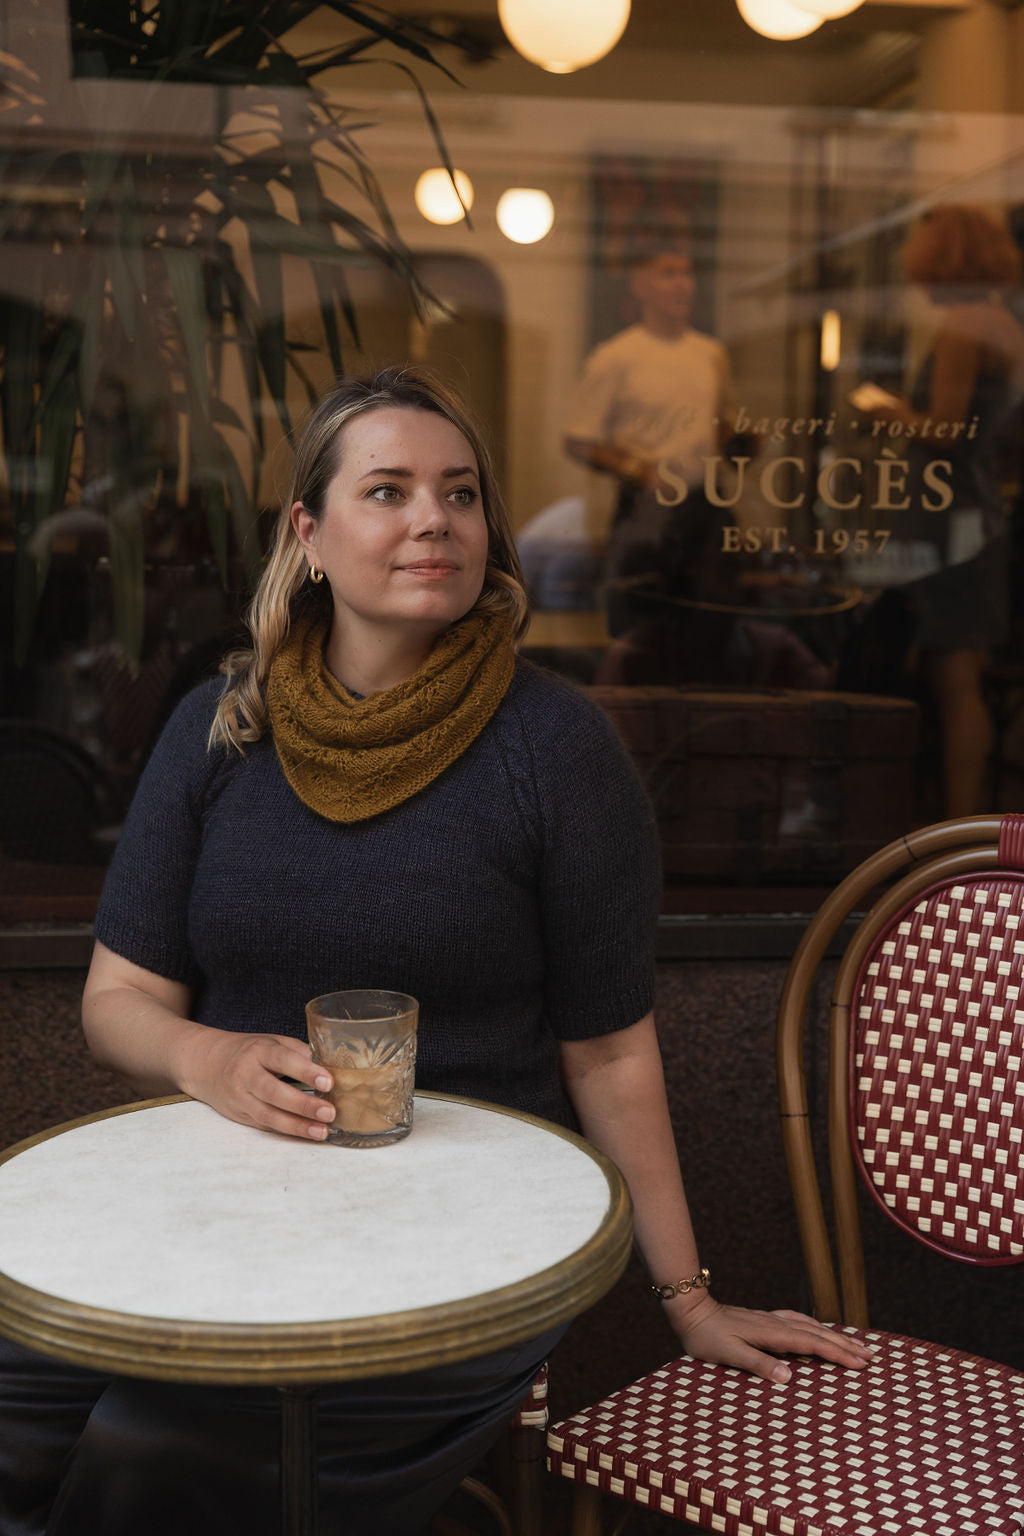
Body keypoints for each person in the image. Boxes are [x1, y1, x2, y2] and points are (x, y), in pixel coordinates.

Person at [0, 366, 872, 1536]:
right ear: (308, 534)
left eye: (459, 495)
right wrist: (206, 1059)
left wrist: (688, 1300)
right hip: (218, 1214)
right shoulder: (222, 725)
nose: (434, 521)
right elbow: (117, 1002)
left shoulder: (557, 749)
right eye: (391, 490)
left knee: (158, 1460)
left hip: (465, 1243)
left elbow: (610, 1054)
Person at [865, 203, 1024, 816]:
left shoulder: (963, 322)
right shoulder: (1003, 322)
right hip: (979, 515)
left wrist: (888, 412)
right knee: (961, 673)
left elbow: (945, 430)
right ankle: (961, 823)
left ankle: (955, 831)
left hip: (947, 519)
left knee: (952, 680)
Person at [562, 237, 755, 678]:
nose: (682, 285)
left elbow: (722, 425)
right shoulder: (617, 357)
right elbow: (577, 439)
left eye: (687, 273)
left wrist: (743, 440)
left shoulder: (710, 354)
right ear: (640, 283)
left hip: (706, 507)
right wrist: (639, 470)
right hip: (646, 510)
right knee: (641, 632)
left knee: (713, 627)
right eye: (668, 273)